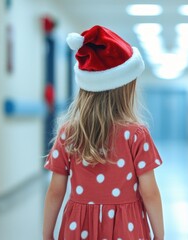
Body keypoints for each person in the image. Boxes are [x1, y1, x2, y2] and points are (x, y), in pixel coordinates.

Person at [42, 25, 164, 240]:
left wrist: (47, 234)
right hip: (127, 228)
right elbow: (150, 192)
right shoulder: (136, 135)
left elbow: (55, 190)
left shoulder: (68, 133)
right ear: (126, 89)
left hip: (78, 227)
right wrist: (159, 235)